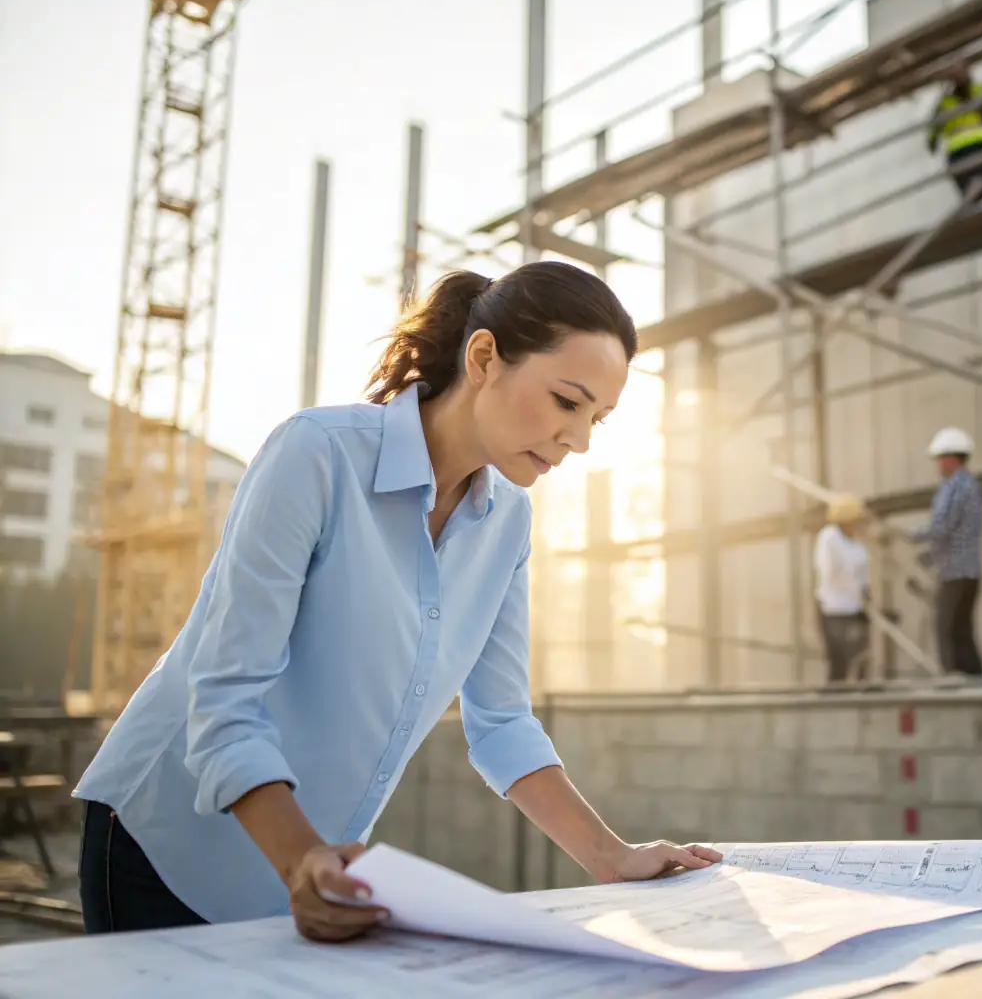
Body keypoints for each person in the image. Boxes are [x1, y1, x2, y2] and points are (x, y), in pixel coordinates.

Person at [73, 261, 722, 940]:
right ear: (482, 357)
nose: (580, 440)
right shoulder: (317, 455)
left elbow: (501, 723)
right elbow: (226, 697)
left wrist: (613, 858)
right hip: (161, 844)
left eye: (599, 417)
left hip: (313, 868)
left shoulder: (508, 522)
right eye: (567, 401)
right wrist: (302, 863)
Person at [912, 427, 982, 677]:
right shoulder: (972, 487)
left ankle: (955, 679)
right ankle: (975, 679)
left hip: (955, 572)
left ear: (952, 458)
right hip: (969, 572)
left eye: (940, 459)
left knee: (946, 629)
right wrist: (928, 557)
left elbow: (942, 526)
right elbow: (958, 532)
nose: (938, 465)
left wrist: (911, 536)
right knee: (962, 630)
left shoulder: (954, 487)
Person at [813, 495, 871, 683]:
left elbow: (862, 575)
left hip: (854, 609)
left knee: (860, 659)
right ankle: (834, 700)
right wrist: (855, 584)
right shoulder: (829, 538)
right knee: (838, 662)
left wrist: (865, 592)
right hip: (833, 608)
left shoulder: (857, 545)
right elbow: (829, 570)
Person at [927, 61, 982, 203]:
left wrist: (932, 145)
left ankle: (974, 194)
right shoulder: (980, 91)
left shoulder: (944, 103)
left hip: (959, 153)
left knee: (975, 190)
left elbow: (932, 133)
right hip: (978, 146)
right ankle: (976, 191)